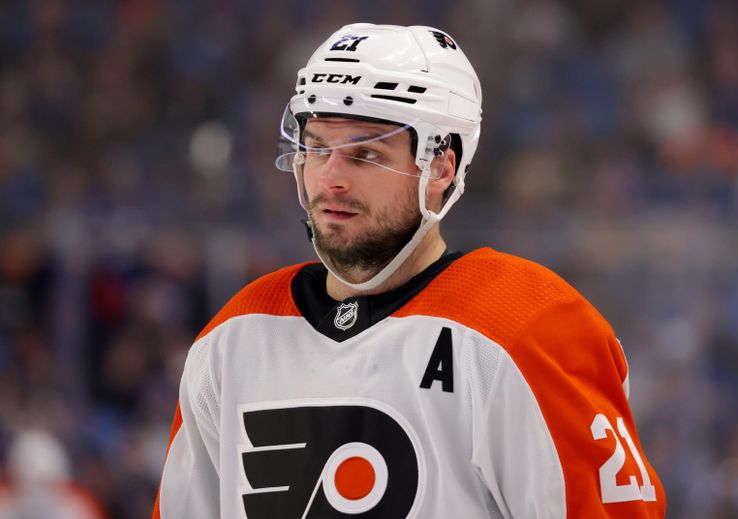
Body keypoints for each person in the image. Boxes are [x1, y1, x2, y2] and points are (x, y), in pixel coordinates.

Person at [153, 23, 666, 518]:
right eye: (317, 147)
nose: (329, 178)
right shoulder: (233, 337)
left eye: (366, 154)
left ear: (440, 167)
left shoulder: (527, 327)